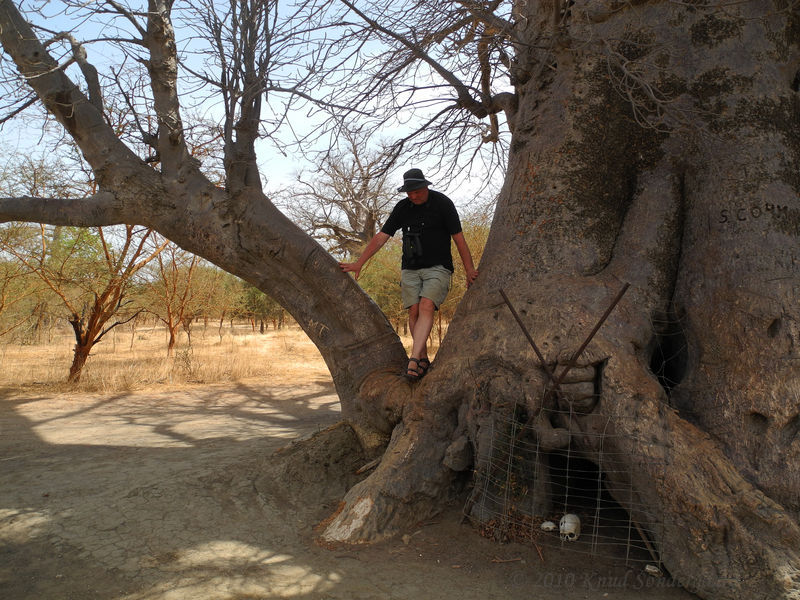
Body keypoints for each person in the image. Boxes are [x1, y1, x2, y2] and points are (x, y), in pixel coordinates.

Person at [340, 168, 479, 380]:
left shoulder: (443, 204)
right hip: (410, 268)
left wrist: (469, 269)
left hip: (438, 267)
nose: (413, 196)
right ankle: (422, 359)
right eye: (409, 193)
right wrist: (359, 262)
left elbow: (459, 238)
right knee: (413, 311)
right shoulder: (402, 208)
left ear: (425, 187)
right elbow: (381, 237)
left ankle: (413, 360)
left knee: (426, 305)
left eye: (416, 191)